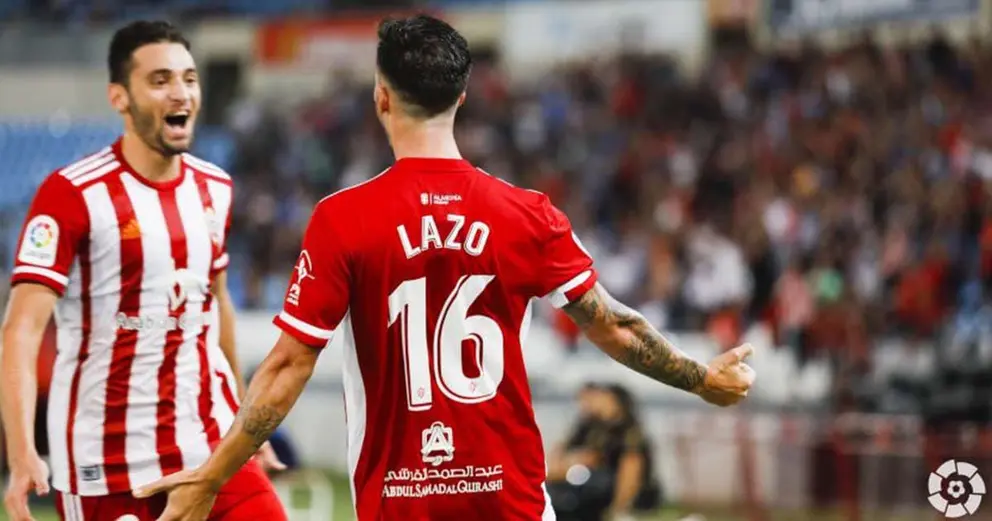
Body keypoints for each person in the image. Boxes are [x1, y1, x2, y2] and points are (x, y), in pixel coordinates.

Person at [136, 14, 756, 521]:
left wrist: (211, 478)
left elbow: (289, 364)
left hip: (399, 505)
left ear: (381, 98)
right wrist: (701, 378)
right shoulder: (526, 214)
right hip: (510, 503)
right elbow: (615, 326)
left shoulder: (343, 219)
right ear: (461, 97)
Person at [0, 20, 287, 521]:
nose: (180, 93)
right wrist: (23, 450)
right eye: (160, 80)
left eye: (189, 78)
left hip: (210, 446)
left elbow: (215, 306)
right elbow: (22, 330)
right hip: (104, 462)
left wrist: (246, 429)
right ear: (119, 98)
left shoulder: (215, 187)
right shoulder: (71, 195)